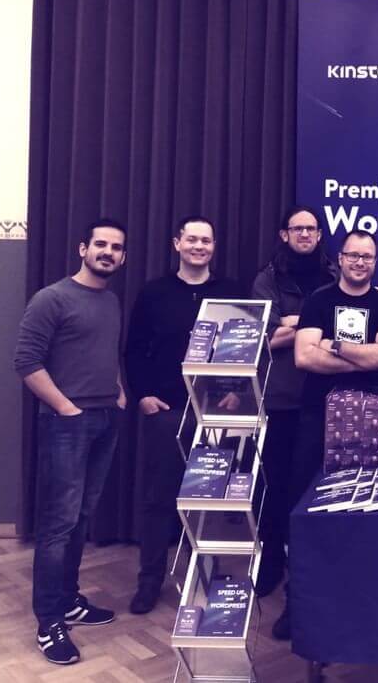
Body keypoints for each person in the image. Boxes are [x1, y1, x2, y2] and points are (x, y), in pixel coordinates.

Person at [274, 229, 378, 639]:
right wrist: (361, 357)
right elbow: (303, 356)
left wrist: (335, 347)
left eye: (368, 256)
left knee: (366, 509)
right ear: (341, 259)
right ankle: (297, 601)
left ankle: (361, 602)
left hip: (371, 419)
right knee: (305, 509)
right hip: (318, 415)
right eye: (353, 255)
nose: (360, 262)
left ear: (375, 262)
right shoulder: (319, 300)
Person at [14, 219, 128, 665]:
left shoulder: (111, 300)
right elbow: (26, 362)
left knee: (80, 518)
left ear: (123, 257)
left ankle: (68, 600)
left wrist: (119, 391)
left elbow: (107, 353)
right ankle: (49, 622)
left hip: (105, 419)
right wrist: (66, 408)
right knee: (58, 525)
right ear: (83, 248)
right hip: (67, 424)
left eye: (116, 247)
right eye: (100, 244)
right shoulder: (52, 298)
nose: (107, 252)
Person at [125, 215, 242, 615]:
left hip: (216, 413)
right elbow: (134, 350)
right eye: (191, 239)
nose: (198, 246)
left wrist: (237, 392)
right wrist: (143, 395)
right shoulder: (153, 293)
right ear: (177, 244)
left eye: (206, 240)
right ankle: (149, 581)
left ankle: (205, 577)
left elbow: (245, 349)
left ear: (214, 247)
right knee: (158, 500)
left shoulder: (231, 293)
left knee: (210, 501)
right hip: (167, 411)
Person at [250, 207, 337, 597]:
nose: (305, 234)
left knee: (316, 487)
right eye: (297, 229)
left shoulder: (334, 275)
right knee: (274, 487)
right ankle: (270, 563)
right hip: (280, 398)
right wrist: (312, 323)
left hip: (326, 397)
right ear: (284, 234)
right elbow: (264, 338)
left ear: (319, 235)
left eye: (311, 229)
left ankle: (311, 568)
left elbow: (346, 329)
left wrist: (291, 321)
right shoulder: (267, 279)